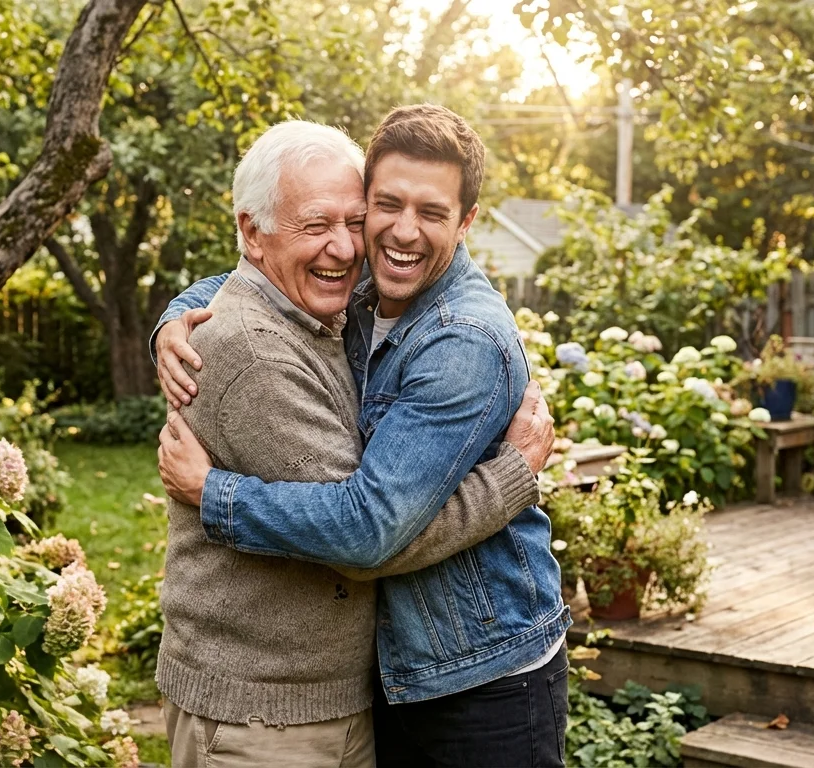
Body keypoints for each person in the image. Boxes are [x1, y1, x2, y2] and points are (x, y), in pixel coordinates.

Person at [154, 104, 572, 767]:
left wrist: (215, 495)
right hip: (381, 679)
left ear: (465, 223)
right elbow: (250, 277)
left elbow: (367, 532)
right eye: (382, 207)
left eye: (432, 213)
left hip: (481, 676)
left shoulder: (460, 341)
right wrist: (177, 316)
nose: (382, 236)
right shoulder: (364, 286)